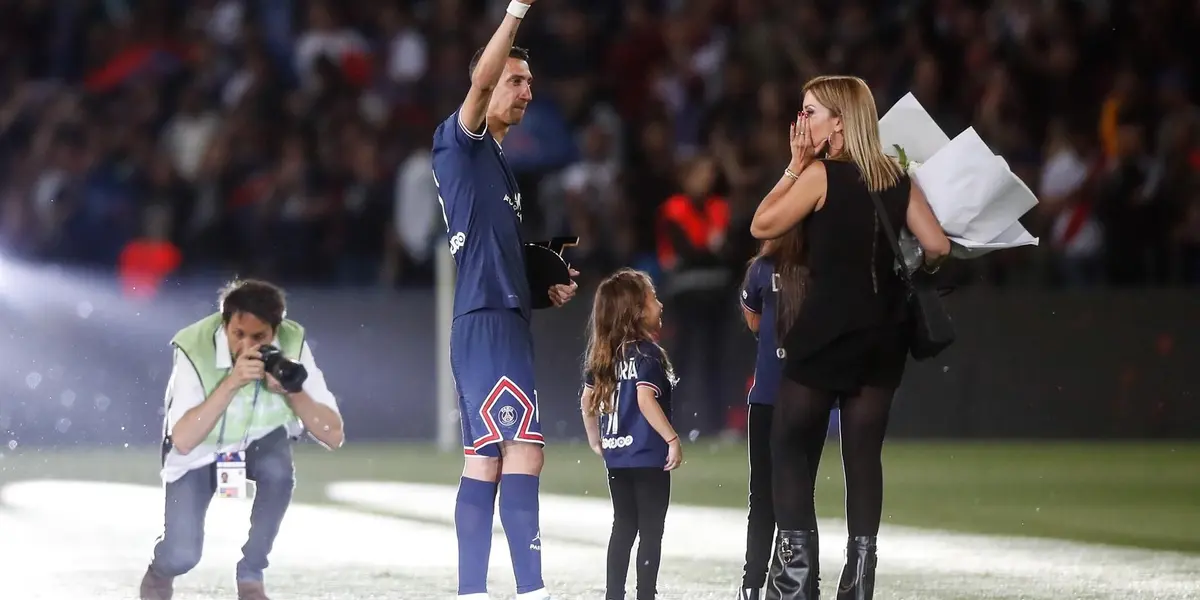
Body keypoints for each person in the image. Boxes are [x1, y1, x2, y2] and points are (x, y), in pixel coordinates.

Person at [749, 75, 951, 600]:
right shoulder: (895, 177)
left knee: (789, 448)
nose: (802, 123)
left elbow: (763, 225)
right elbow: (937, 246)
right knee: (863, 458)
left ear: (839, 121)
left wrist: (793, 166)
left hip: (825, 332)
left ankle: (794, 582)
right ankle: (859, 581)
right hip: (885, 335)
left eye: (811, 112)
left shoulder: (820, 175)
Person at [430, 1, 579, 599]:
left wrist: (541, 285)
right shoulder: (460, 144)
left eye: (529, 84)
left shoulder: (498, 167)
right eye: (516, 81)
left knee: (485, 460)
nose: (525, 92)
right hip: (489, 324)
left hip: (493, 318)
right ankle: (532, 590)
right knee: (522, 453)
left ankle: (473, 592)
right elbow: (482, 79)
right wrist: (516, 11)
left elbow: (494, 253)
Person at [139, 279, 345, 600]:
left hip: (255, 444)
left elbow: (333, 435)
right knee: (183, 555)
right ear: (225, 325)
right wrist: (231, 382)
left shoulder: (292, 344)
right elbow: (182, 439)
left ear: (276, 331)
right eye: (238, 335)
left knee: (279, 470)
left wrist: (294, 392)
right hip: (201, 452)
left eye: (259, 337)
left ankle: (251, 573)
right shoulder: (195, 348)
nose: (248, 346)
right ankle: (160, 569)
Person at [579, 269, 681, 600]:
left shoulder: (603, 357)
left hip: (617, 457)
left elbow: (586, 399)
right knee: (651, 531)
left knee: (623, 526)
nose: (660, 304)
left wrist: (596, 438)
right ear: (636, 310)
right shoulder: (648, 354)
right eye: (653, 299)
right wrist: (672, 439)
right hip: (649, 457)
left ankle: (614, 594)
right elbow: (644, 397)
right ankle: (645, 595)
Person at [736, 234, 828, 600]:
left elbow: (754, 321)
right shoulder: (821, 268)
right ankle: (807, 583)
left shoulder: (761, 268)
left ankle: (752, 584)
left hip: (768, 398)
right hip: (811, 393)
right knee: (803, 494)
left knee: (762, 496)